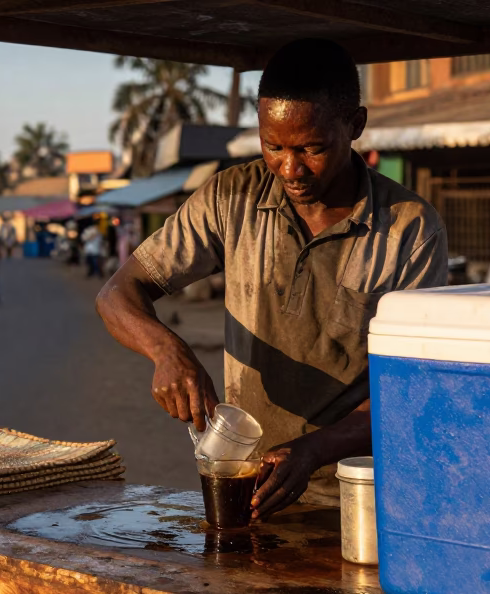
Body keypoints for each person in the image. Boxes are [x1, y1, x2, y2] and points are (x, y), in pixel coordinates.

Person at [95, 38, 447, 518]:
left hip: (361, 494)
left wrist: (314, 450)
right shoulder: (231, 197)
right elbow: (117, 293)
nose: (290, 168)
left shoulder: (410, 229)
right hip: (251, 485)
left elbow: (414, 387)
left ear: (355, 126)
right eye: (273, 146)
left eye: (311, 149)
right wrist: (166, 351)